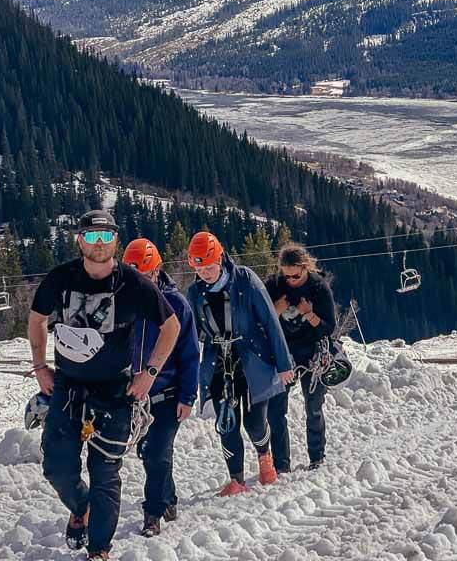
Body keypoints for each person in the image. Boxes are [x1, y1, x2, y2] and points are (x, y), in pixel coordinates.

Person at [29, 210, 180, 561]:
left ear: (116, 239)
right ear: (79, 240)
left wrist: (150, 372)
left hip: (116, 391)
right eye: (92, 237)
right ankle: (81, 507)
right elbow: (37, 319)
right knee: (57, 466)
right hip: (67, 387)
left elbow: (170, 326)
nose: (99, 244)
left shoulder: (134, 283)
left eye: (106, 236)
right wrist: (40, 366)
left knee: (105, 473)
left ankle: (100, 550)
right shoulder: (61, 278)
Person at [185, 231, 293, 496]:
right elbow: (190, 332)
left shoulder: (244, 279)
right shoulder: (195, 292)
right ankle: (236, 479)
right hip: (220, 363)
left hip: (254, 359)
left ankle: (265, 455)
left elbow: (270, 319)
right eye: (200, 269)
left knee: (255, 422)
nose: (206, 274)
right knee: (226, 423)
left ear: (220, 258)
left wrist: (284, 363)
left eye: (210, 267)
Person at [122, 238, 200, 538]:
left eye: (147, 275)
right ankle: (167, 497)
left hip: (167, 393)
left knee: (156, 452)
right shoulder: (123, 303)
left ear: (157, 271)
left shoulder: (176, 305)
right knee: (148, 451)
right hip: (135, 397)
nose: (142, 283)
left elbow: (190, 354)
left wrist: (187, 396)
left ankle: (152, 514)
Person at [265, 243, 337, 472]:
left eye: (296, 276)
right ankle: (281, 464)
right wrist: (275, 310)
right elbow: (260, 322)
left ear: (306, 268)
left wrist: (308, 314)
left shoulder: (318, 287)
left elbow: (329, 328)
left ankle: (317, 457)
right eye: (286, 276)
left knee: (313, 405)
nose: (291, 280)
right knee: (276, 410)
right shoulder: (274, 286)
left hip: (312, 351)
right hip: (283, 352)